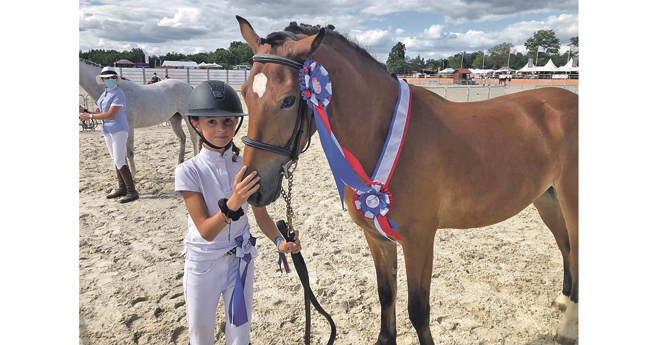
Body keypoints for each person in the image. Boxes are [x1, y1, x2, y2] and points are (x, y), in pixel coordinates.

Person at [175, 80, 301, 345]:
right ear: (196, 124)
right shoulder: (188, 171)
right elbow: (206, 231)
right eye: (212, 122)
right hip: (203, 264)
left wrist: (281, 242)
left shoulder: (245, 165)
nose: (222, 129)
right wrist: (235, 200)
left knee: (240, 335)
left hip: (241, 260)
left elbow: (261, 216)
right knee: (201, 336)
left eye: (229, 121)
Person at [79, 66, 139, 203]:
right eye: (107, 78)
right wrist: (86, 111)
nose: (110, 80)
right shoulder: (104, 95)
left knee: (119, 159)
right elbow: (100, 113)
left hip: (118, 128)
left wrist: (90, 116)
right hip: (108, 129)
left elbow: (111, 114)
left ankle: (132, 191)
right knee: (116, 159)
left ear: (116, 79)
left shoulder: (118, 93)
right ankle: (122, 187)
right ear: (103, 80)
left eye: (112, 78)